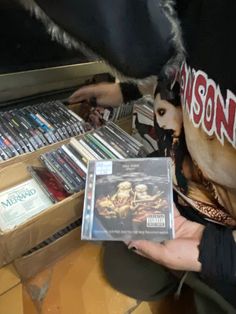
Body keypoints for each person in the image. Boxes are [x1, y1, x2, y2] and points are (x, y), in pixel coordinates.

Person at [20, 0, 236, 313]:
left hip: (222, 246)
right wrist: (126, 91)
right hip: (176, 193)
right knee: (122, 267)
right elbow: (179, 72)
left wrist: (214, 253)